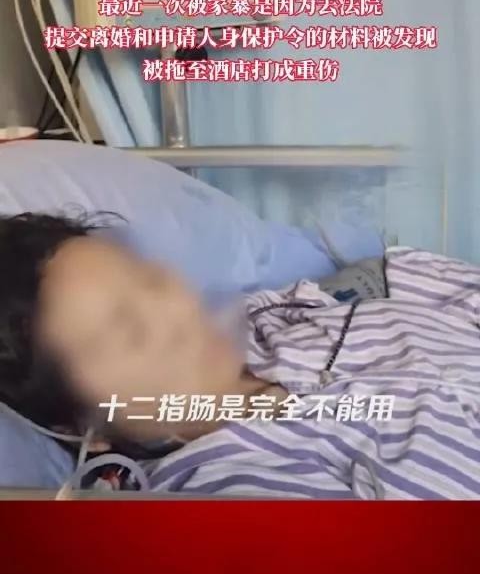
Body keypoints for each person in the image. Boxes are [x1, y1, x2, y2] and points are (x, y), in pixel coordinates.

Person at [1, 211, 480, 499]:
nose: (176, 312)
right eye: (128, 332)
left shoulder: (286, 314)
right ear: (86, 429)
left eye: (148, 279)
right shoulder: (233, 489)